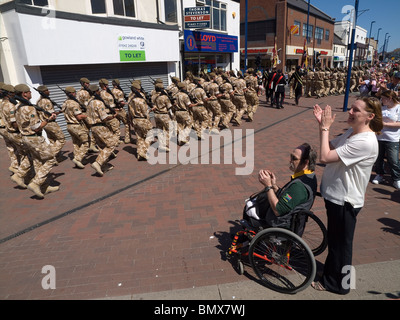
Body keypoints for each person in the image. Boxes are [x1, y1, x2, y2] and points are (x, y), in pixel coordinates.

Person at [312, 97, 383, 294]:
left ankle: (339, 285)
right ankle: (332, 276)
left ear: (369, 116)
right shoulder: (352, 133)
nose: (350, 112)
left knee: (341, 246)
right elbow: (331, 147)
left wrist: (325, 128)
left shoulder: (366, 142)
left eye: (355, 110)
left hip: (345, 200)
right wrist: (322, 126)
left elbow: (325, 157)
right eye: (351, 108)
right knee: (336, 242)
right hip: (336, 197)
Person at [243, 143, 317, 229]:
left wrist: (268, 186)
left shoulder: (299, 187)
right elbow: (290, 198)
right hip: (288, 220)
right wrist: (274, 186)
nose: (290, 161)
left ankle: (245, 239)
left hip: (279, 224)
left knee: (248, 209)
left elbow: (278, 210)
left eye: (294, 158)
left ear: (305, 162)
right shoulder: (309, 176)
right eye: (291, 156)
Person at [14, 84, 60, 198]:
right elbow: (37, 127)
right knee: (50, 159)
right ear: (24, 93)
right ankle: (36, 183)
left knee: (38, 161)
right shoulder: (29, 108)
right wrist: (49, 119)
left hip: (25, 138)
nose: (30, 93)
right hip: (34, 138)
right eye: (29, 92)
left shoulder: (17, 107)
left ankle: (44, 187)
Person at [86, 84, 119, 176]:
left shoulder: (89, 102)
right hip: (100, 126)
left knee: (102, 146)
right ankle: (98, 163)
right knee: (112, 143)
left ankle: (104, 167)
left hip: (93, 127)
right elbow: (104, 117)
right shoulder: (98, 102)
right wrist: (113, 116)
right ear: (97, 91)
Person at [372, 90, 400, 189]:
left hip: (392, 139)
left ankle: (396, 178)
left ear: (390, 99)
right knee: (378, 158)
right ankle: (379, 174)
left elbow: (399, 123)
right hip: (379, 137)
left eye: (383, 98)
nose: (381, 100)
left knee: (393, 160)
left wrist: (386, 124)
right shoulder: (382, 107)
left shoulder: (398, 108)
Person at [61, 86, 89, 169]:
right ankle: (78, 159)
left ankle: (78, 161)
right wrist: (87, 115)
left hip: (69, 125)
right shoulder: (74, 103)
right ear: (72, 93)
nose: (75, 94)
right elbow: (79, 117)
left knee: (76, 144)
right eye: (74, 92)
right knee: (86, 143)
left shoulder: (65, 102)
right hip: (76, 125)